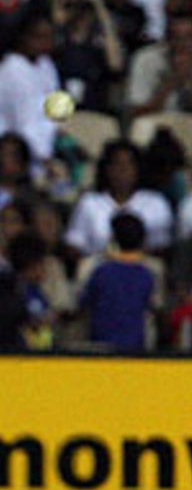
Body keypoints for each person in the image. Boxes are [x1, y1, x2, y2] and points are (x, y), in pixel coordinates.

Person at [65, 139, 173, 258]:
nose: (123, 170)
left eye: (129, 164)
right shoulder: (89, 202)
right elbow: (74, 244)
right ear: (106, 169)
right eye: (116, 164)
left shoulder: (156, 202)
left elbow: (162, 246)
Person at [0, 15, 60, 167]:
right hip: (7, 150)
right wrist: (45, 158)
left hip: (42, 145)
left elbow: (54, 109)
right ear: (23, 37)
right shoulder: (12, 70)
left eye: (49, 37)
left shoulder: (47, 65)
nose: (45, 43)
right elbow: (24, 122)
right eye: (39, 37)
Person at [77, 213, 156, 352]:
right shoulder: (147, 274)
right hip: (134, 346)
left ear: (113, 238)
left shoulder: (101, 271)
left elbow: (83, 303)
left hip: (104, 345)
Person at [51, 0, 124, 114]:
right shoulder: (60, 38)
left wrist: (99, 7)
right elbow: (48, 48)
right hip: (61, 111)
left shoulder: (100, 39)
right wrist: (59, 5)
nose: (74, 10)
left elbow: (116, 64)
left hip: (94, 111)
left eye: (80, 5)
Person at [125, 12, 192, 117]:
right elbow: (137, 114)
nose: (183, 45)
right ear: (167, 40)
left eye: (189, 39)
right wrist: (174, 80)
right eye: (177, 38)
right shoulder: (147, 59)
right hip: (157, 124)